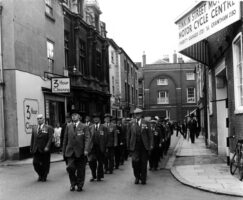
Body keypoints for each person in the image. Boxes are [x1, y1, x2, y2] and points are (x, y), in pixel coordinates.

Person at [62, 112, 90, 192]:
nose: (73, 117)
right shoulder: (68, 126)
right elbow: (65, 139)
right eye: (72, 115)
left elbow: (87, 138)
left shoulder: (84, 126)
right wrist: (64, 150)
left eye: (75, 115)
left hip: (80, 152)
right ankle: (73, 183)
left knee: (81, 170)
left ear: (79, 117)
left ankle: (80, 184)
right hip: (70, 151)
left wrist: (86, 149)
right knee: (70, 168)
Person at [127, 108, 153, 185]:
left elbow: (150, 135)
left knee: (143, 163)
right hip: (135, 147)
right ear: (134, 115)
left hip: (144, 146)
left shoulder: (146, 122)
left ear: (141, 114)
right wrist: (128, 146)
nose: (137, 115)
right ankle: (137, 177)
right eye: (136, 114)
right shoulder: (131, 123)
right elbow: (128, 136)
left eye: (139, 113)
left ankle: (143, 178)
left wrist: (151, 145)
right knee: (135, 163)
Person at [30, 114, 53, 182]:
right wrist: (31, 147)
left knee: (45, 163)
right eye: (38, 118)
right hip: (36, 149)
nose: (39, 120)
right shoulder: (34, 128)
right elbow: (32, 139)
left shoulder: (48, 128)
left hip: (44, 149)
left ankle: (44, 176)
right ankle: (40, 174)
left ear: (43, 119)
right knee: (35, 163)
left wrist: (47, 147)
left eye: (40, 118)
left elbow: (50, 138)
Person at [88, 113, 108, 182]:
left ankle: (99, 176)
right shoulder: (90, 127)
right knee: (91, 162)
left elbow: (106, 138)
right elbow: (88, 138)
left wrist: (106, 147)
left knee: (100, 162)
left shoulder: (104, 127)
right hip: (92, 148)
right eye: (94, 118)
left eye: (97, 118)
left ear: (99, 119)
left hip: (100, 147)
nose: (95, 119)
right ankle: (93, 175)